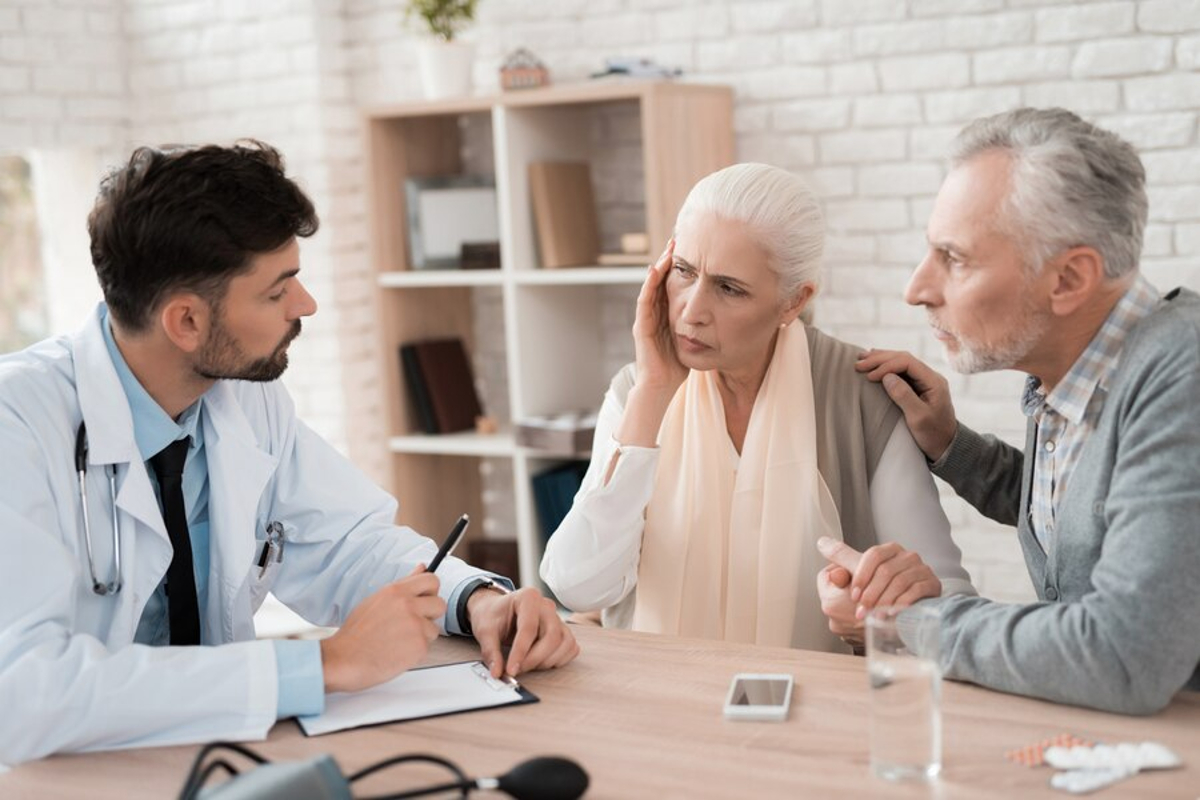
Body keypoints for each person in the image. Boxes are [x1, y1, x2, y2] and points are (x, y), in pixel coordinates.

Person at [0, 141, 578, 764]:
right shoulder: (19, 425)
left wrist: (476, 601)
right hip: (76, 774)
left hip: (223, 755)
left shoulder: (241, 399)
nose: (306, 305)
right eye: (278, 292)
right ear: (187, 322)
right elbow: (26, 694)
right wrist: (323, 664)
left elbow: (346, 545)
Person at [821, 107, 1200, 714]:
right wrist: (951, 444)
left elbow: (1124, 656)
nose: (917, 289)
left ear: (1069, 279)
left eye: (955, 258)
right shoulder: (1077, 368)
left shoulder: (1183, 376)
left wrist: (910, 621)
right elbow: (1094, 510)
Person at [539, 163, 974, 652]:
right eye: (683, 272)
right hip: (657, 709)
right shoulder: (635, 393)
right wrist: (654, 390)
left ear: (794, 301)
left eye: (728, 288)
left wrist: (887, 611)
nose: (691, 311)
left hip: (818, 715)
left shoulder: (865, 400)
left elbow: (947, 600)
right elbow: (577, 587)